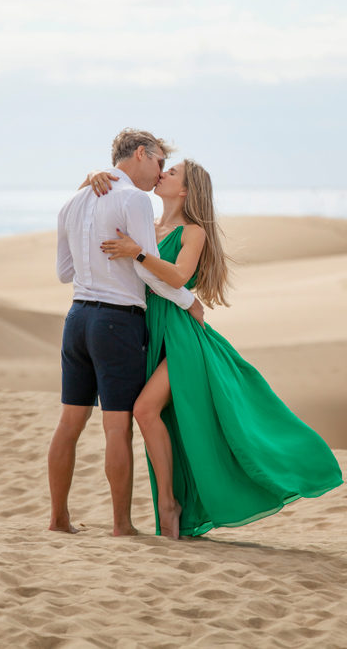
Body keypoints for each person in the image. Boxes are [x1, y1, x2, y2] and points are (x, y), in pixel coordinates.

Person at [90, 157, 344, 540]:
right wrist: (93, 178)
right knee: (170, 422)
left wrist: (137, 253)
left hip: (180, 337)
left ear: (186, 190)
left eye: (171, 173)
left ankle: (168, 503)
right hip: (148, 331)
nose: (162, 174)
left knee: (145, 410)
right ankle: (177, 505)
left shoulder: (194, 232)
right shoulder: (148, 224)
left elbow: (178, 275)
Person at [49, 128, 205, 537]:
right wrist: (190, 302)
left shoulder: (72, 201)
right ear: (141, 154)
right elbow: (147, 271)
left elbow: (64, 273)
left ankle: (58, 520)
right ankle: (122, 526)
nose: (159, 173)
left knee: (69, 423)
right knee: (117, 427)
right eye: (158, 163)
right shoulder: (133, 199)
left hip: (76, 320)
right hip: (116, 322)